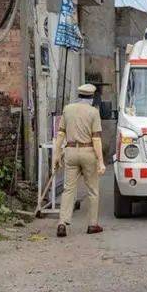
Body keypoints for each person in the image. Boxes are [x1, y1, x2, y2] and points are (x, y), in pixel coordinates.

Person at [52, 84, 106, 237]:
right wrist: (101, 161)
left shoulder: (67, 109)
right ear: (92, 97)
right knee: (93, 190)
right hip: (88, 151)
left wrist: (57, 154)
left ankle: (62, 222)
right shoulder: (94, 112)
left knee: (68, 188)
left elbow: (60, 134)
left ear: (79, 95)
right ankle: (92, 225)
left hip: (70, 151)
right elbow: (96, 138)